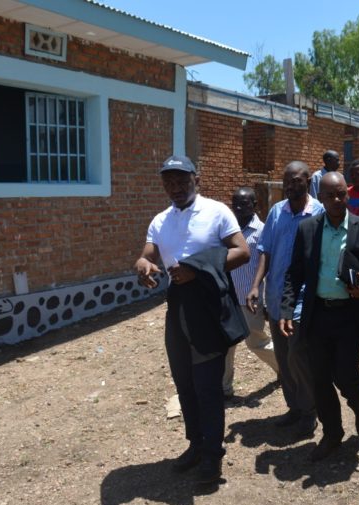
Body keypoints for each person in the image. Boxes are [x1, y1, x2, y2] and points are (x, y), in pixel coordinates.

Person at [135, 155, 250, 484]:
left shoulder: (216, 212)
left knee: (207, 388)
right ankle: (196, 445)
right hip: (178, 308)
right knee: (185, 383)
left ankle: (213, 456)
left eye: (182, 181)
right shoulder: (161, 220)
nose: (176, 187)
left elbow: (242, 251)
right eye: (169, 182)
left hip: (209, 306)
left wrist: (196, 268)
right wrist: (143, 266)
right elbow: (147, 254)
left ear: (195, 179)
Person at [280, 172, 359, 461]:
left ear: (347, 194)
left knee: (346, 374)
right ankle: (332, 434)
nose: (337, 200)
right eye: (330, 195)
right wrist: (287, 309)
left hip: (349, 317)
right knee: (319, 378)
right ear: (321, 198)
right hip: (317, 316)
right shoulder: (308, 229)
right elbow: (295, 273)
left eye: (342, 194)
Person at [248, 161, 323, 438]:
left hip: (303, 299)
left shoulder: (319, 212)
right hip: (276, 295)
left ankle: (310, 411)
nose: (291, 186)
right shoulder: (277, 212)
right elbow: (265, 250)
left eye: (297, 181)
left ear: (307, 181)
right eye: (287, 181)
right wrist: (256, 285)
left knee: (297, 356)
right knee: (283, 356)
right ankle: (294, 407)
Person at [223, 187, 279, 398]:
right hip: (228, 299)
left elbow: (266, 265)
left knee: (257, 342)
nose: (238, 207)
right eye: (235, 203)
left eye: (244, 203)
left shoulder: (262, 230)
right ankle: (224, 389)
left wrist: (265, 300)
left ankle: (284, 368)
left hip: (250, 299)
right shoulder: (227, 231)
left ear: (255, 205)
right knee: (226, 345)